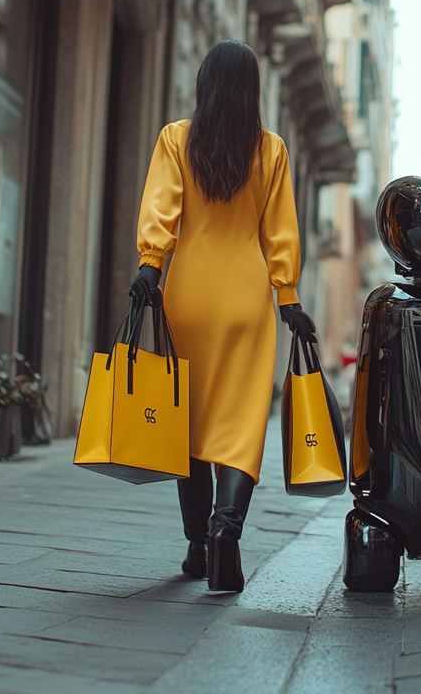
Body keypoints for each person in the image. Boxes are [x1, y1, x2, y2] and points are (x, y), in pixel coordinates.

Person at [130, 39, 314, 593]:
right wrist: (288, 298)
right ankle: (225, 533)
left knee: (190, 422)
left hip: (187, 293)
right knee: (239, 424)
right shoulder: (272, 149)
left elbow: (161, 209)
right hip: (246, 300)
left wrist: (149, 265)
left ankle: (195, 547)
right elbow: (279, 232)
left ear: (204, 82)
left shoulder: (176, 138)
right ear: (253, 88)